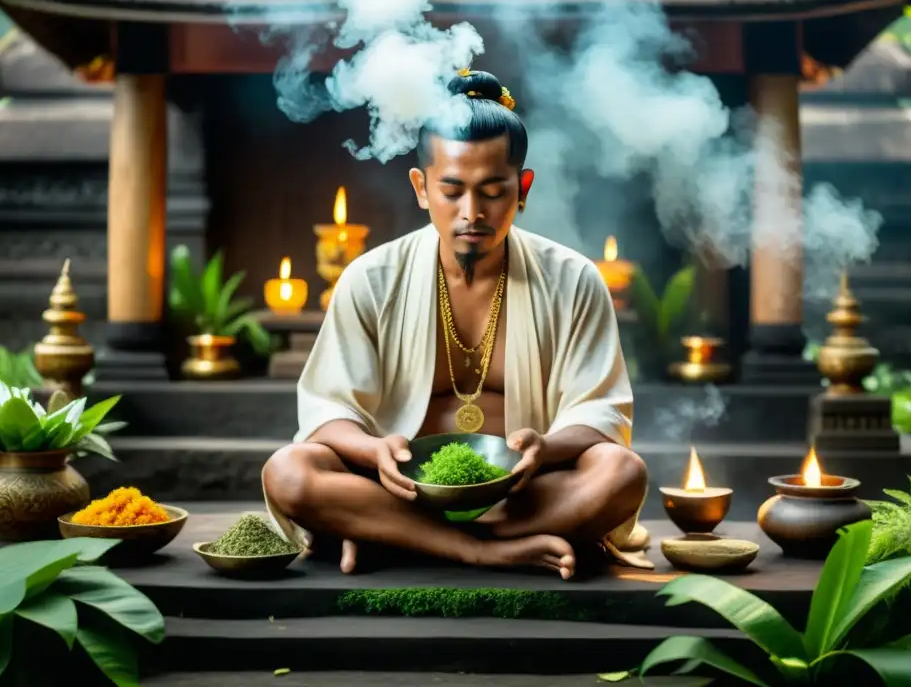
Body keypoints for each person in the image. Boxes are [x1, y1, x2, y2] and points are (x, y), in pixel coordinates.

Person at [262, 69, 649, 579]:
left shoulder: (573, 279)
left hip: (523, 496)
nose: (472, 212)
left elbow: (601, 410)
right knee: (289, 472)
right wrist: (374, 450)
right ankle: (481, 551)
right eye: (452, 191)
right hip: (396, 492)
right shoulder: (371, 279)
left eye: (493, 191)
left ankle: (397, 539)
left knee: (622, 472)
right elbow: (327, 408)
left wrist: (545, 447)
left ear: (523, 187)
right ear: (421, 188)